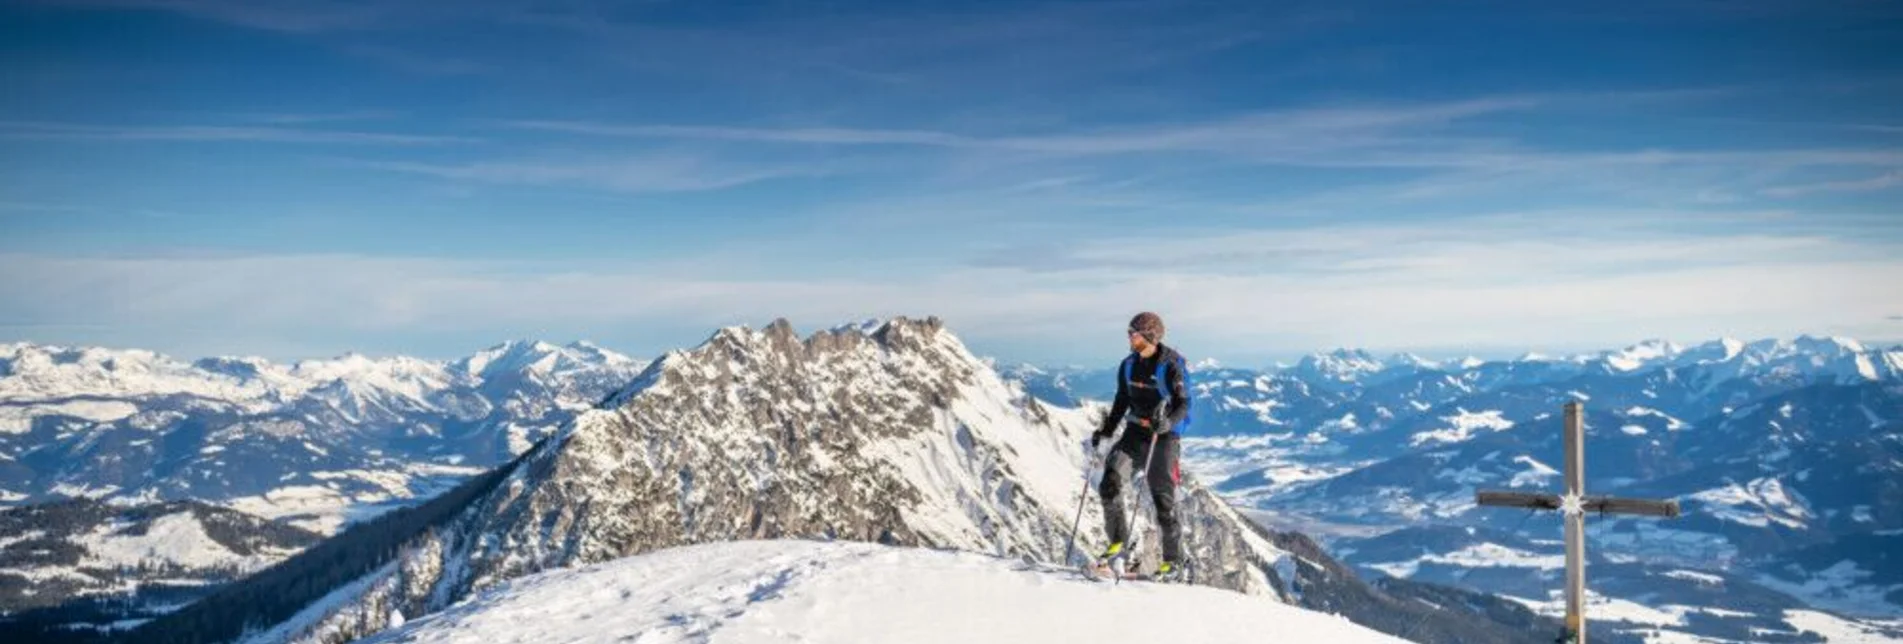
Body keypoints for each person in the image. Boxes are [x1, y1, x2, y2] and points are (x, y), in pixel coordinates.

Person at [1092, 311, 1191, 581]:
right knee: (1109, 484)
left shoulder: (1170, 366)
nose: (1129, 337)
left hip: (1163, 439)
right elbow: (1121, 400)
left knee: (1164, 502)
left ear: (1149, 336)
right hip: (1135, 434)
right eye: (1129, 332)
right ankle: (1118, 545)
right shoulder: (1128, 365)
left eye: (1133, 333)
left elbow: (1184, 404)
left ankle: (1174, 562)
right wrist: (1106, 432)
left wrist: (1168, 423)